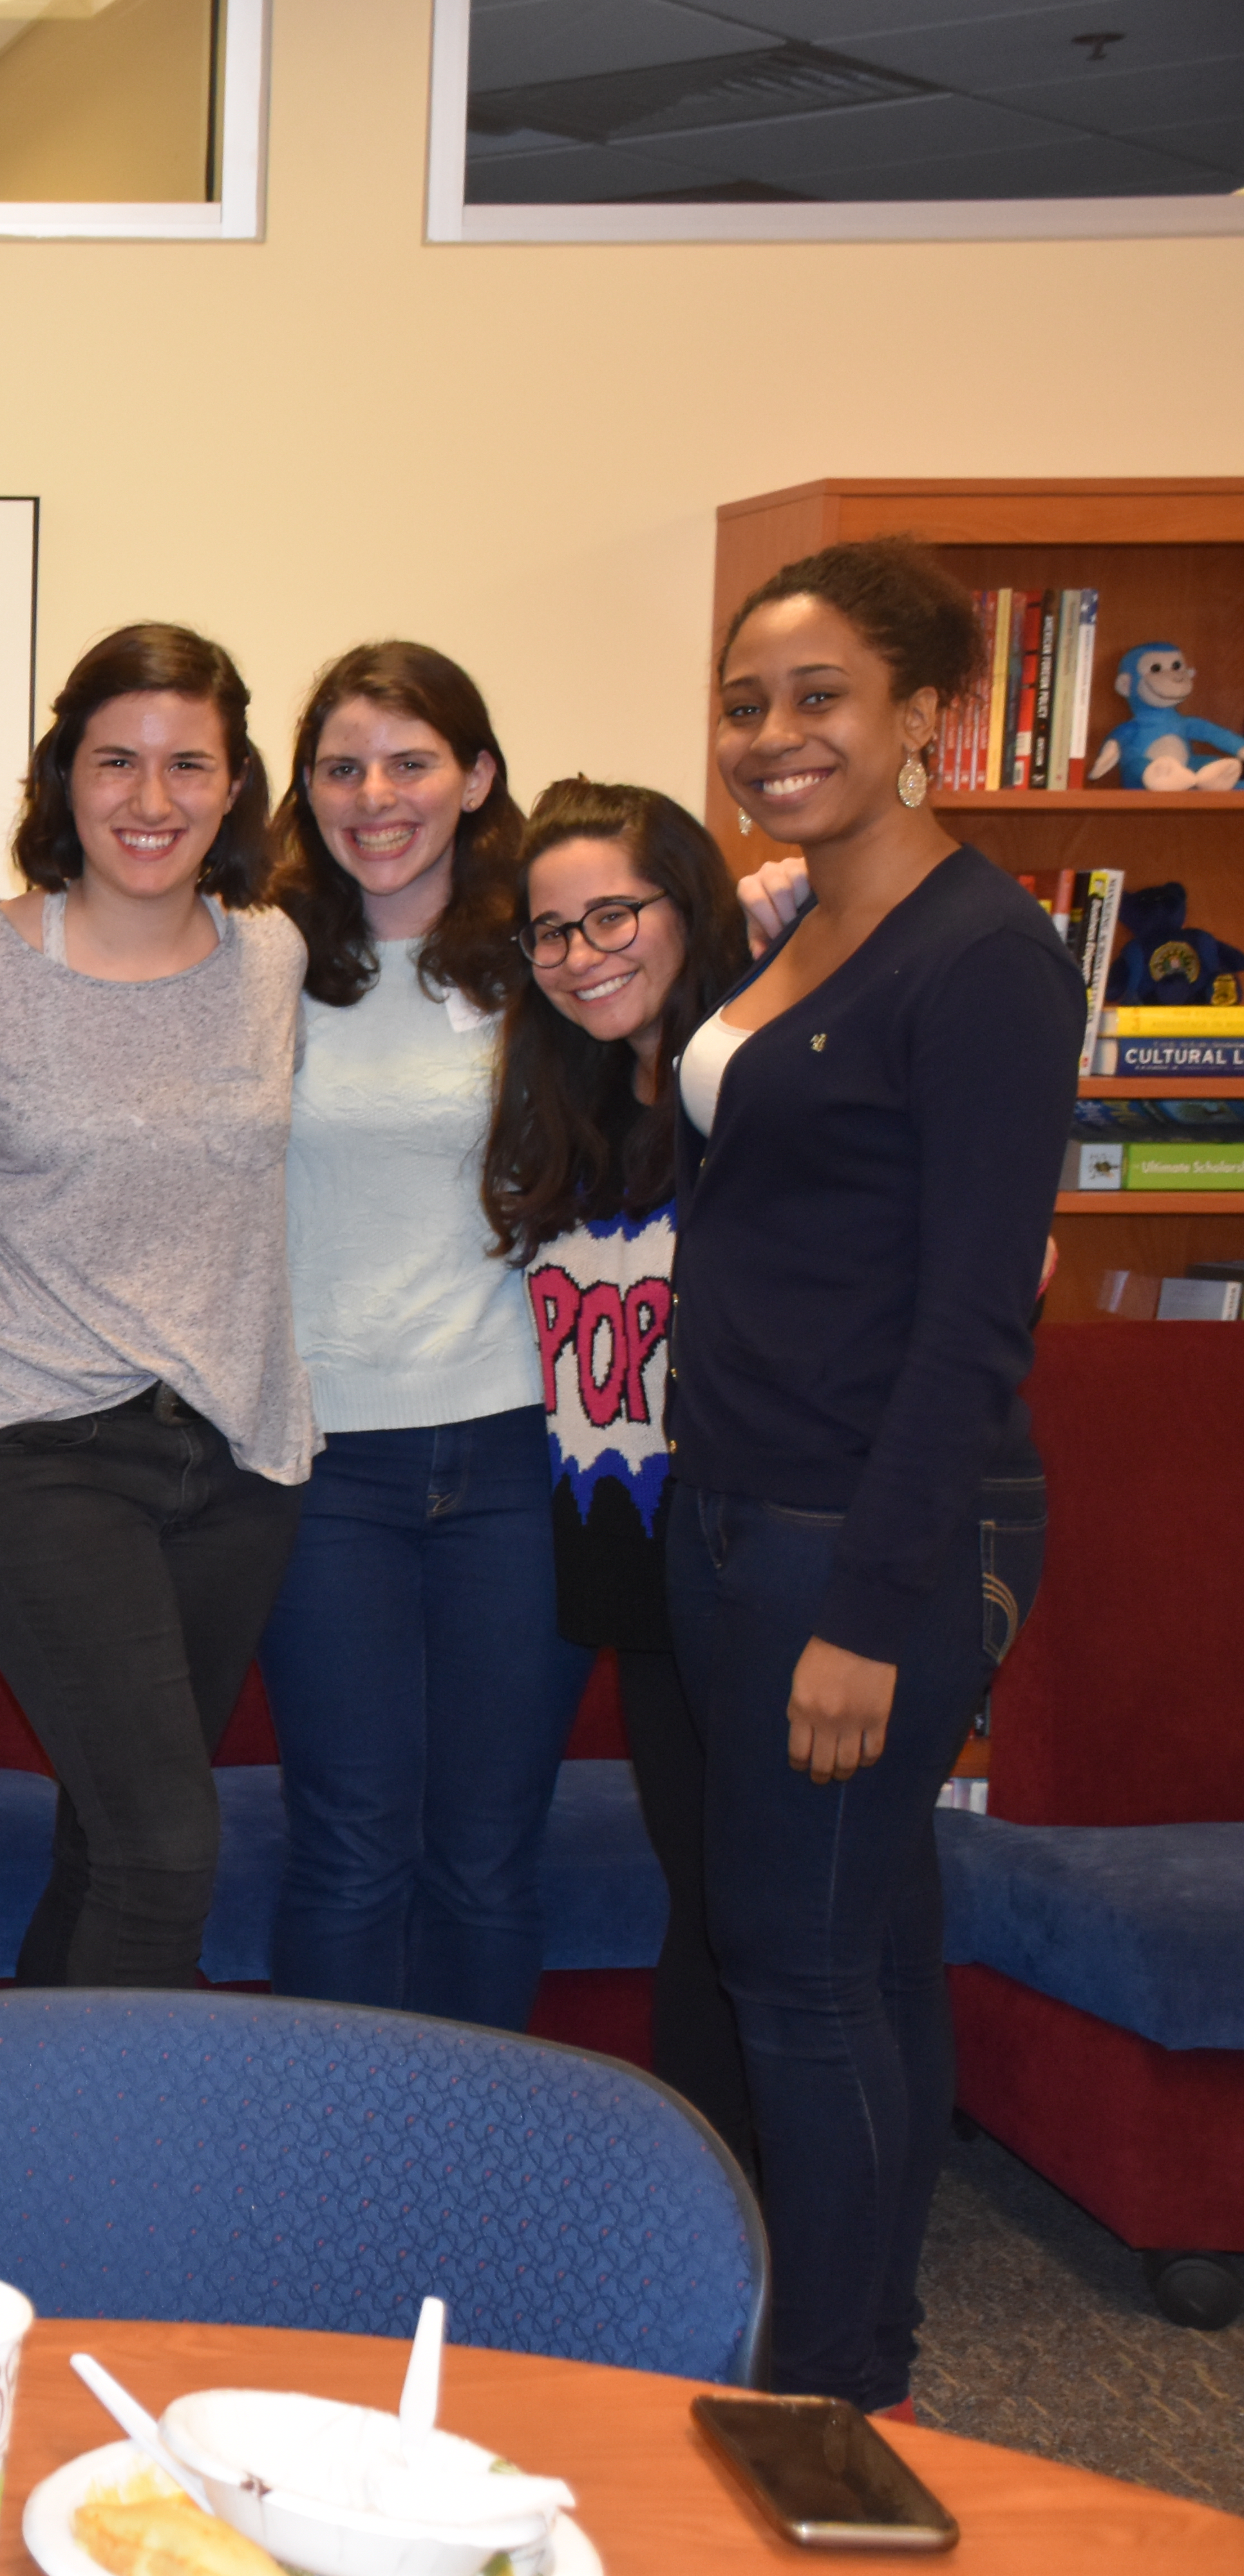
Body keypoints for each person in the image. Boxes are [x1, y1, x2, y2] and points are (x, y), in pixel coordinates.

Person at [677, 537, 1077, 2411]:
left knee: (802, 1970)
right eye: (750, 702)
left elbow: (975, 1321)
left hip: (861, 1534)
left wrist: (868, 1611)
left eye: (821, 697)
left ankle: (826, 2395)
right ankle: (873, 2342)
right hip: (752, 1503)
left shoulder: (988, 959)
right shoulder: (811, 923)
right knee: (868, 1949)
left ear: (930, 714)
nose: (775, 734)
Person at [0, 623, 312, 1993]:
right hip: (39, 1444)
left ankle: (21, 2163)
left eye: (188, 764)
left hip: (237, 1453)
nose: (153, 799)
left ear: (235, 782)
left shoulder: (274, 957)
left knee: (112, 1841)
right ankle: (109, 2185)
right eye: (119, 761)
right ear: (63, 776)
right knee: (166, 1850)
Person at [253, 643, 590, 2030]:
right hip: (326, 1462)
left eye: (411, 761)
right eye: (341, 766)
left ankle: (476, 2182)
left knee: (489, 1858)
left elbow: (697, 1032)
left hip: (521, 1455)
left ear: (478, 777)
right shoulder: (256, 957)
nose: (374, 796)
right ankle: (331, 2185)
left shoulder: (548, 957)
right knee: (348, 1848)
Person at [482, 775, 757, 2177]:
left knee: (766, 1914)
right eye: (550, 930)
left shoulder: (759, 1077)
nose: (582, 952)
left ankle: (786, 2268)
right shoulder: (577, 1096)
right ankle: (710, 2209)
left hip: (750, 1562)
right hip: (628, 1569)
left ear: (687, 906)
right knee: (704, 1896)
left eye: (613, 915)